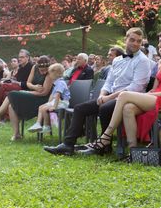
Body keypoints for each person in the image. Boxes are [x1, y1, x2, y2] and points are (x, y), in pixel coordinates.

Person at [79, 28, 161, 154]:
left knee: (124, 95)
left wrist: (149, 94)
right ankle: (133, 150)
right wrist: (150, 94)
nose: (159, 45)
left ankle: (106, 136)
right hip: (155, 98)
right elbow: (155, 87)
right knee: (128, 108)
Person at [44, 28, 152, 156]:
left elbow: (136, 87)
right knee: (80, 108)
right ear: (125, 40)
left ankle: (104, 146)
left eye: (139, 41)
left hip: (129, 99)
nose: (135, 43)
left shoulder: (143, 61)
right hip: (111, 97)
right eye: (132, 40)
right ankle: (68, 145)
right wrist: (102, 94)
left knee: (105, 108)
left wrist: (109, 97)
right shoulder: (117, 60)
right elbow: (109, 82)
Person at [27, 63, 70, 134]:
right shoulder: (56, 83)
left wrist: (54, 106)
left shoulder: (60, 83)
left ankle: (47, 126)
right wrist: (48, 103)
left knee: (44, 109)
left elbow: (58, 95)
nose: (49, 75)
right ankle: (38, 124)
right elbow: (52, 95)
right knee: (41, 107)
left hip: (63, 103)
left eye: (50, 73)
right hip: (57, 102)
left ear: (56, 74)